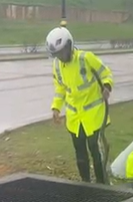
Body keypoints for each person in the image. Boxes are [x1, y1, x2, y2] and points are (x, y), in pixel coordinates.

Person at [46, 26, 113, 184]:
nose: (61, 57)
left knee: (96, 151)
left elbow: (106, 73)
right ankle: (85, 183)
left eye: (62, 52)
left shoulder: (86, 58)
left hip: (94, 116)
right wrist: (56, 108)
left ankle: (103, 183)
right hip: (75, 119)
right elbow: (60, 88)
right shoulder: (57, 66)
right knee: (80, 152)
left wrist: (107, 86)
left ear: (70, 45)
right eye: (57, 54)